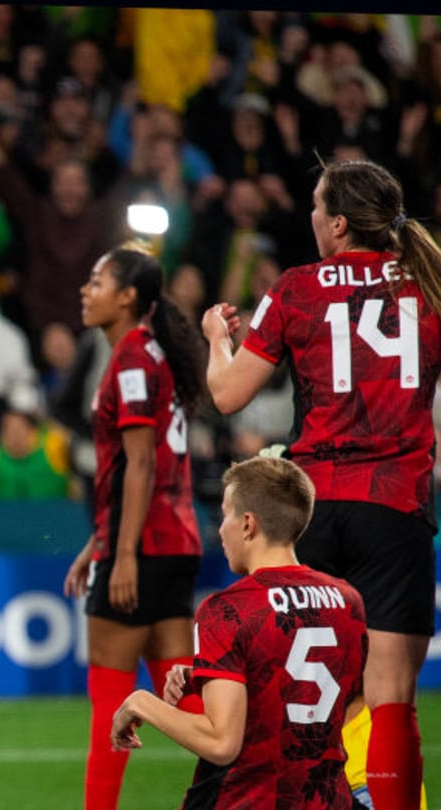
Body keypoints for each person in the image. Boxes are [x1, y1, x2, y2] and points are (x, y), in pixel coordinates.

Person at [203, 158, 441, 810]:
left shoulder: (296, 288)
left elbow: (227, 395)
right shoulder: (429, 281)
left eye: (315, 206)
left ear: (337, 223)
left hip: (311, 511)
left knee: (300, 693)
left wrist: (216, 339)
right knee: (391, 700)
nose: (310, 217)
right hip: (396, 506)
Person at [111, 456, 367, 809]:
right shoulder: (347, 600)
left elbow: (222, 743)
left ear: (248, 524)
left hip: (246, 799)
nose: (220, 528)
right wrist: (210, 677)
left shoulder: (227, 609)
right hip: (326, 800)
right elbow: (347, 702)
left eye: (225, 513)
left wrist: (141, 702)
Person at [63, 245, 208, 810]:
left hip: (142, 548)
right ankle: (266, 783)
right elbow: (141, 469)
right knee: (192, 703)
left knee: (110, 705)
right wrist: (98, 541)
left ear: (127, 297)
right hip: (175, 542)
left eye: (97, 280)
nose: (86, 289)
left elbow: (141, 463)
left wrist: (119, 555)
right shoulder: (154, 353)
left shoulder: (129, 359)